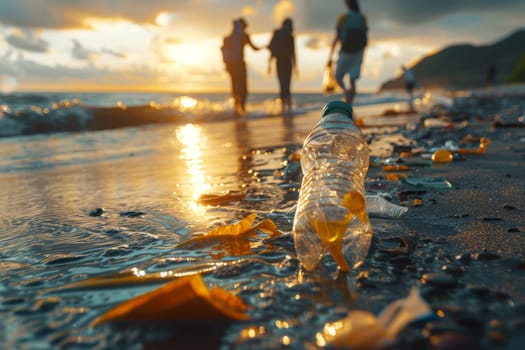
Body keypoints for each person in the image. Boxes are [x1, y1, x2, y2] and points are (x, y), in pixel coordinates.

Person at [327, 0, 368, 105]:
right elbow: (365, 38)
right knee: (352, 80)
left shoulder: (343, 18)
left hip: (346, 51)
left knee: (338, 77)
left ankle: (346, 94)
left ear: (347, 5)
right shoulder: (362, 18)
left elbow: (337, 37)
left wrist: (330, 56)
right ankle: (350, 104)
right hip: (359, 52)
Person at [221, 18, 261, 116]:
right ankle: (242, 110)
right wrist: (266, 47)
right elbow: (254, 48)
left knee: (235, 88)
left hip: (231, 66)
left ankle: (236, 110)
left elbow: (224, 52)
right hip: (239, 65)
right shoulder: (243, 37)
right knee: (243, 89)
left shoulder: (228, 38)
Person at [268, 18, 297, 115]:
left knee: (285, 86)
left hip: (286, 63)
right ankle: (285, 108)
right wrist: (269, 64)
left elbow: (293, 53)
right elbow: (272, 49)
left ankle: (287, 108)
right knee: (283, 86)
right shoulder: (279, 34)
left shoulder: (288, 36)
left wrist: (296, 67)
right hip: (281, 62)